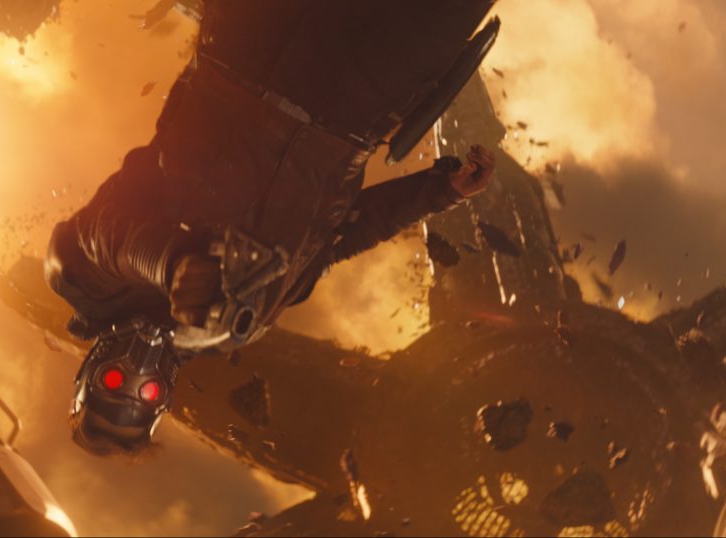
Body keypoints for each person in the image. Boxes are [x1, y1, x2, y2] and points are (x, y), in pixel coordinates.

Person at [44, 0, 497, 454]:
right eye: (147, 394)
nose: (137, 374)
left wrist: (174, 265)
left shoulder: (81, 280)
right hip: (358, 110)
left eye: (114, 381)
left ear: (91, 370)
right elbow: (332, 242)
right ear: (163, 397)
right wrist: (440, 192)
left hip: (252, 54)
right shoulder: (238, 323)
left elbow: (110, 235)